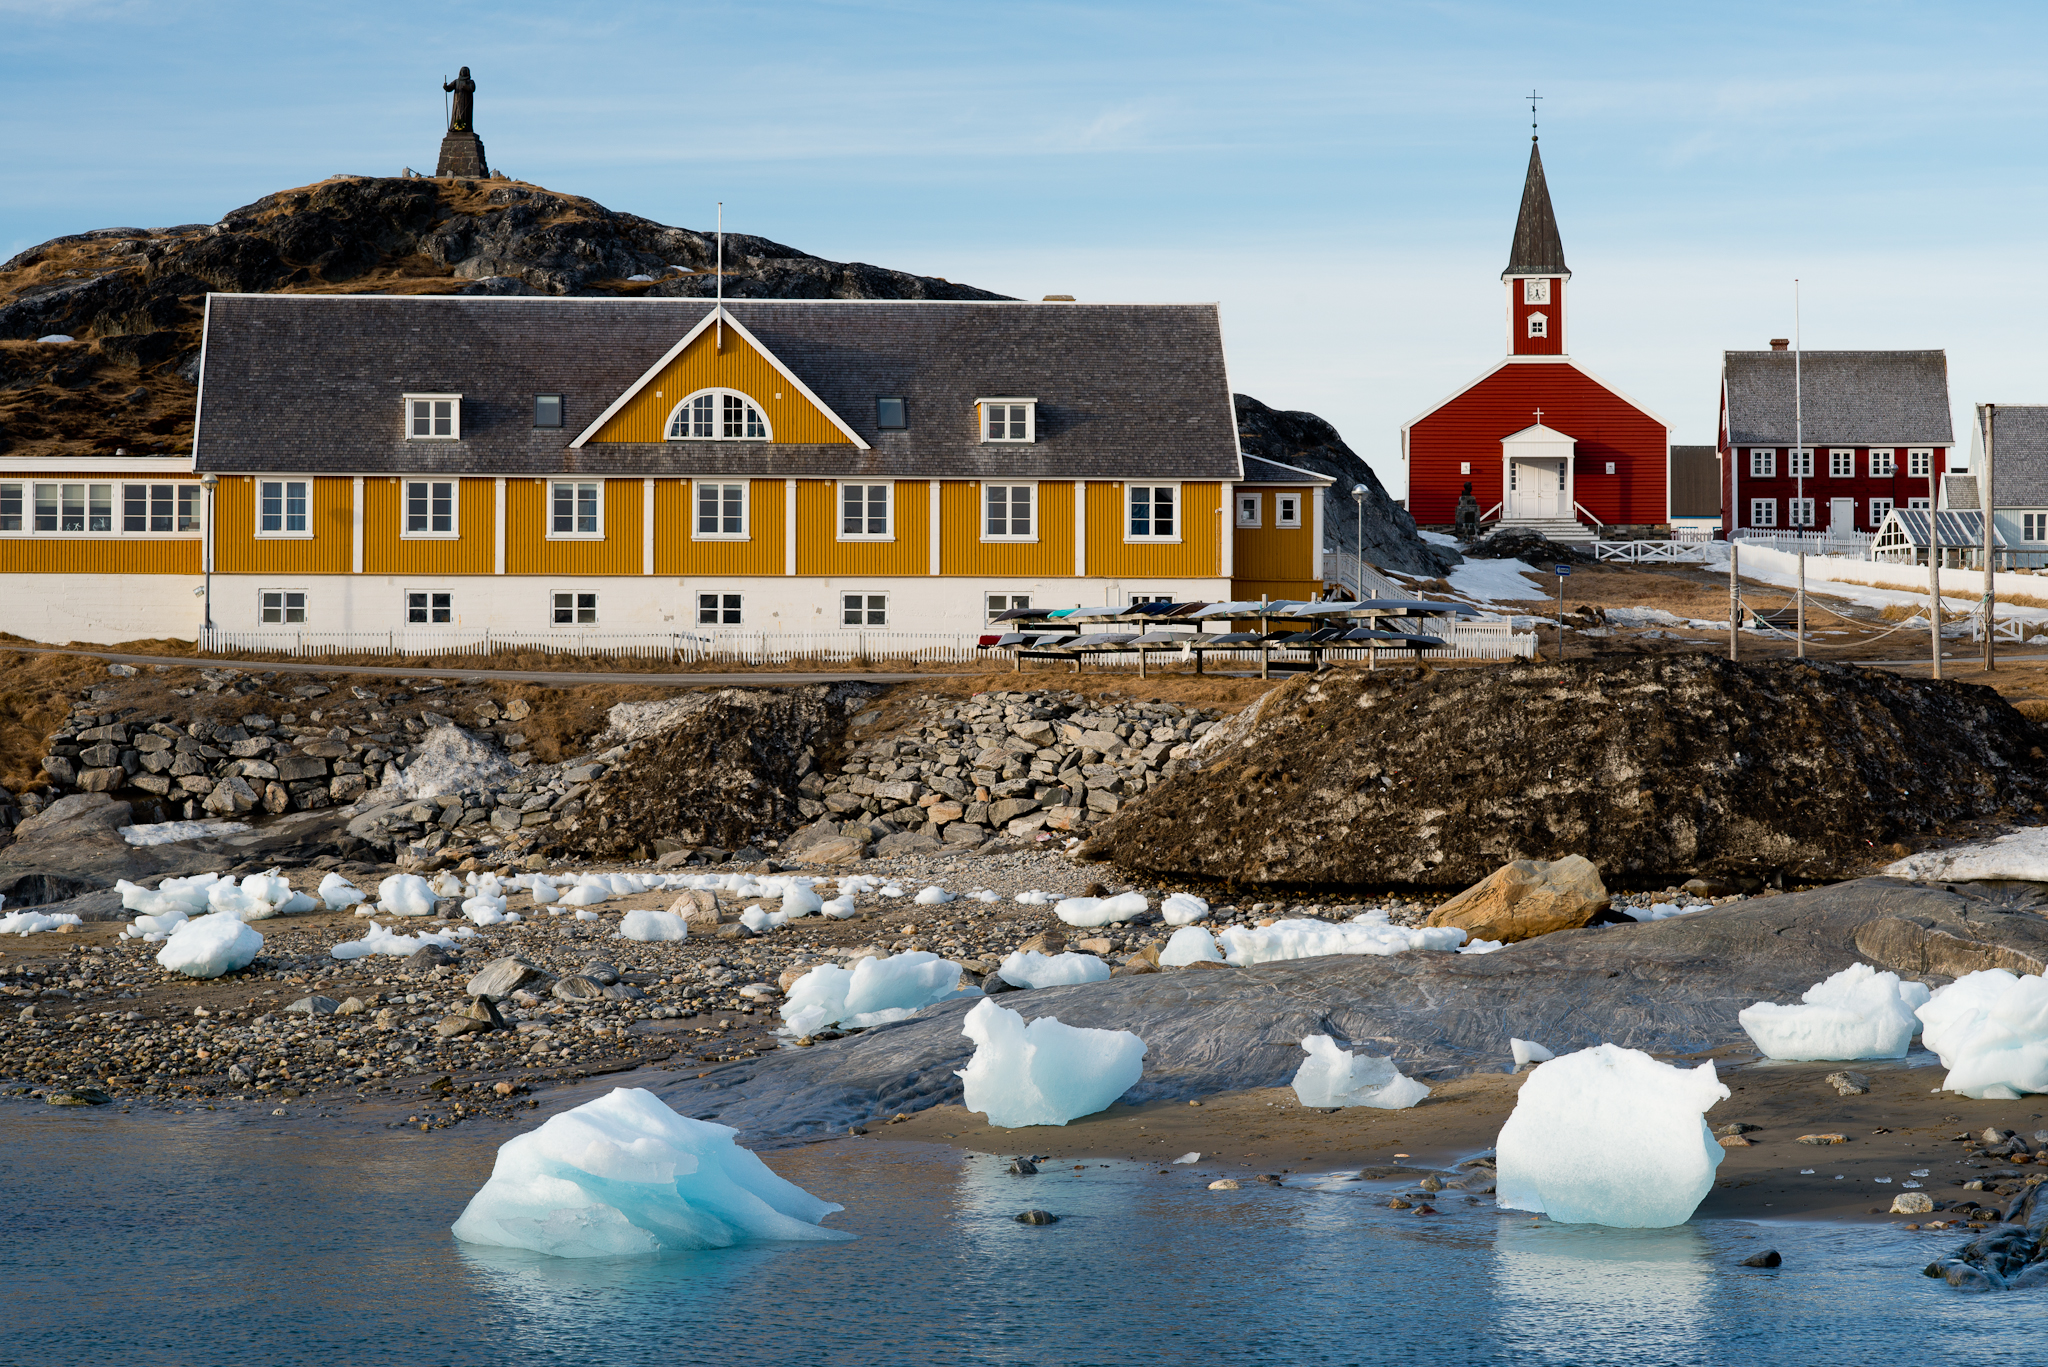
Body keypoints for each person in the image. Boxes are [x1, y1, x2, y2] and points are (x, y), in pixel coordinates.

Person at [444, 67, 476, 133]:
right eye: (462, 71)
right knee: (457, 112)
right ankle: (455, 126)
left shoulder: (470, 82)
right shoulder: (457, 81)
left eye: (465, 71)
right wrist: (446, 87)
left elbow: (472, 88)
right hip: (458, 101)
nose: (463, 72)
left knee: (466, 114)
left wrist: (466, 87)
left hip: (466, 102)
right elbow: (450, 88)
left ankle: (466, 127)